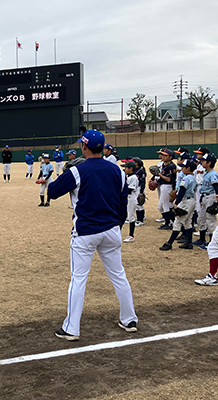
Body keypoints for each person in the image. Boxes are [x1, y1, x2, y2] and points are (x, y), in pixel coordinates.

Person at [49, 129, 138, 341]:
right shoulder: (118, 171)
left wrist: (65, 174)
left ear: (84, 146)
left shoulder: (78, 171)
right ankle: (129, 319)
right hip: (111, 230)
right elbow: (123, 202)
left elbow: (52, 192)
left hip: (85, 232)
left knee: (78, 279)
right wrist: (116, 224)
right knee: (118, 275)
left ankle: (72, 328)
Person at [159, 159, 197, 250]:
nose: (182, 168)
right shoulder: (193, 178)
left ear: (188, 168)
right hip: (192, 201)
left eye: (183, 167)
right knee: (188, 222)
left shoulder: (186, 178)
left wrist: (176, 202)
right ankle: (189, 243)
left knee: (178, 221)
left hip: (185, 202)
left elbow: (182, 190)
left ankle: (169, 243)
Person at [192, 153, 218, 250]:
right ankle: (202, 239)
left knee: (210, 220)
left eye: (203, 161)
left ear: (209, 163)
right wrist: (201, 198)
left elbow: (216, 186)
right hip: (205, 196)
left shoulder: (213, 174)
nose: (201, 162)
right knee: (201, 219)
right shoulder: (207, 172)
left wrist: (217, 201)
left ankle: (214, 242)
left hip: (211, 197)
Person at [157, 149, 177, 230]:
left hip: (167, 186)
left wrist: (159, 174)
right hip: (163, 186)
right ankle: (170, 221)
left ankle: (169, 223)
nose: (163, 157)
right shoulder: (164, 165)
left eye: (166, 155)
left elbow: (168, 179)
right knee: (161, 206)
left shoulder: (171, 166)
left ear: (170, 157)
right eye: (163, 155)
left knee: (166, 205)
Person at [121, 160, 139, 242]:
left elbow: (130, 189)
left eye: (126, 167)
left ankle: (131, 236)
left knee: (131, 217)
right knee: (123, 216)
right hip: (127, 198)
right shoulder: (127, 176)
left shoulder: (134, 177)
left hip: (131, 198)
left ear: (131, 168)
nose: (125, 169)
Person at [133, 157, 146, 226]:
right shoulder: (134, 170)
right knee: (137, 204)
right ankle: (139, 219)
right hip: (134, 189)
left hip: (138, 188)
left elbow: (143, 181)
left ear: (136, 163)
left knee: (139, 205)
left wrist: (141, 191)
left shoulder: (140, 171)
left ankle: (140, 220)